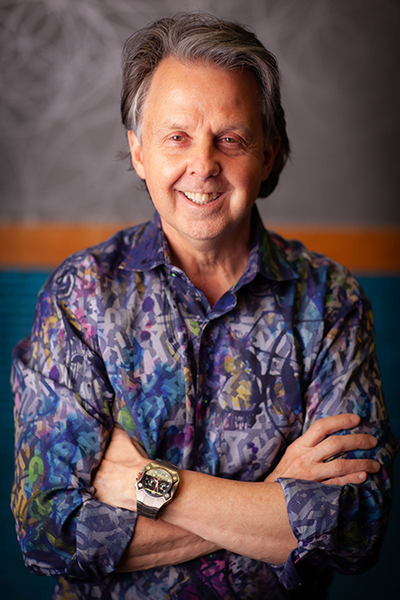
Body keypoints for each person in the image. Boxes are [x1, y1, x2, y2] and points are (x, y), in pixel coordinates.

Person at [11, 12, 397, 600]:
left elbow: (354, 528)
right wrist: (270, 500)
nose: (204, 164)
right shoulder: (79, 296)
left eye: (231, 139)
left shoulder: (330, 300)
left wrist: (145, 482)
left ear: (268, 155)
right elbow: (48, 533)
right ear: (139, 152)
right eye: (177, 137)